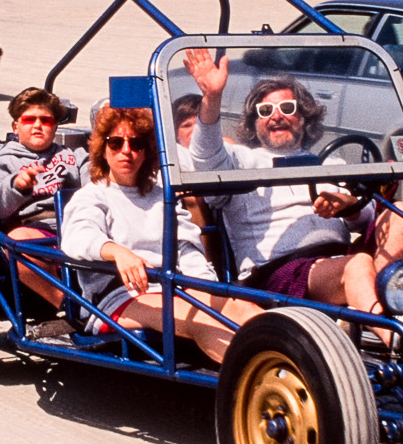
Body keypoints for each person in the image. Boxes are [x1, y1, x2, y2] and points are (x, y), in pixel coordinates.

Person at [180, 49, 403, 315]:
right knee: (357, 265)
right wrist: (212, 96)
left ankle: (386, 299)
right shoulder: (241, 160)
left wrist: (348, 206)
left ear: (304, 117)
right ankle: (393, 335)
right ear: (255, 121)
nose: (276, 115)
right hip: (275, 273)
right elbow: (206, 156)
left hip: (337, 260)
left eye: (287, 108)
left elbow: (365, 218)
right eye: (265, 110)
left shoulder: (330, 163)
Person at [60, 105, 262, 363]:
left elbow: (186, 248)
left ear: (147, 151)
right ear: (102, 148)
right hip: (119, 298)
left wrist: (206, 289)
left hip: (171, 287)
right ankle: (255, 383)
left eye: (136, 143)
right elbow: (78, 236)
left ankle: (301, 375)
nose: (126, 150)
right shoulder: (93, 195)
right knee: (203, 319)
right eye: (116, 142)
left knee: (245, 309)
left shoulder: (161, 198)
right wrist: (118, 252)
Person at [0, 87, 90, 311]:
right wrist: (17, 186)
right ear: (16, 126)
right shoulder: (5, 159)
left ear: (55, 126)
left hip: (78, 225)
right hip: (36, 230)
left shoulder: (73, 156)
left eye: (46, 121)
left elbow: (98, 183)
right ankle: (72, 309)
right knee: (20, 241)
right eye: (30, 119)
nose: (38, 125)